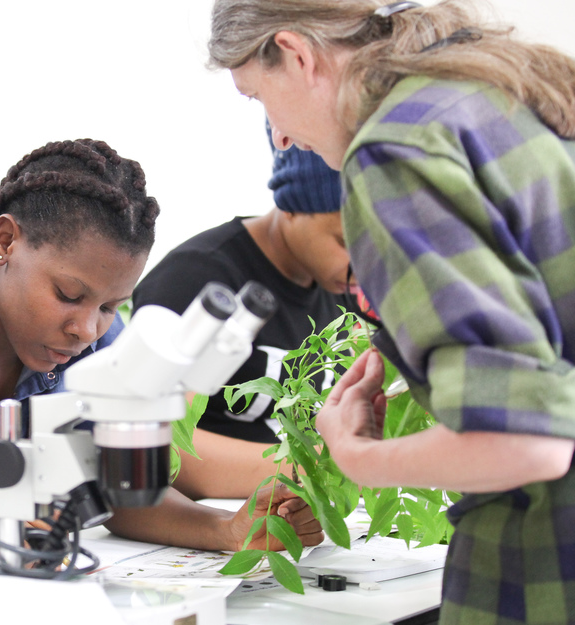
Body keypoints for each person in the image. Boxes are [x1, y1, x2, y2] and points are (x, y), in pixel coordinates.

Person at [208, 0, 575, 621]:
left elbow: (525, 442)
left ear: (296, 54)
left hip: (543, 566)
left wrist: (358, 456)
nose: (281, 137)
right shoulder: (496, 96)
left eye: (258, 99)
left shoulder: (392, 151)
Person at [0, 139, 324, 569]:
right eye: (69, 296)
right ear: (5, 241)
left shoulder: (101, 348)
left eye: (110, 306)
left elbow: (118, 495)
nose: (86, 330)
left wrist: (229, 530)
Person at [133, 125, 355, 499]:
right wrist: (334, 468)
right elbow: (154, 443)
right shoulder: (197, 278)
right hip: (204, 526)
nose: (363, 266)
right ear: (293, 204)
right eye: (345, 242)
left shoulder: (344, 288)